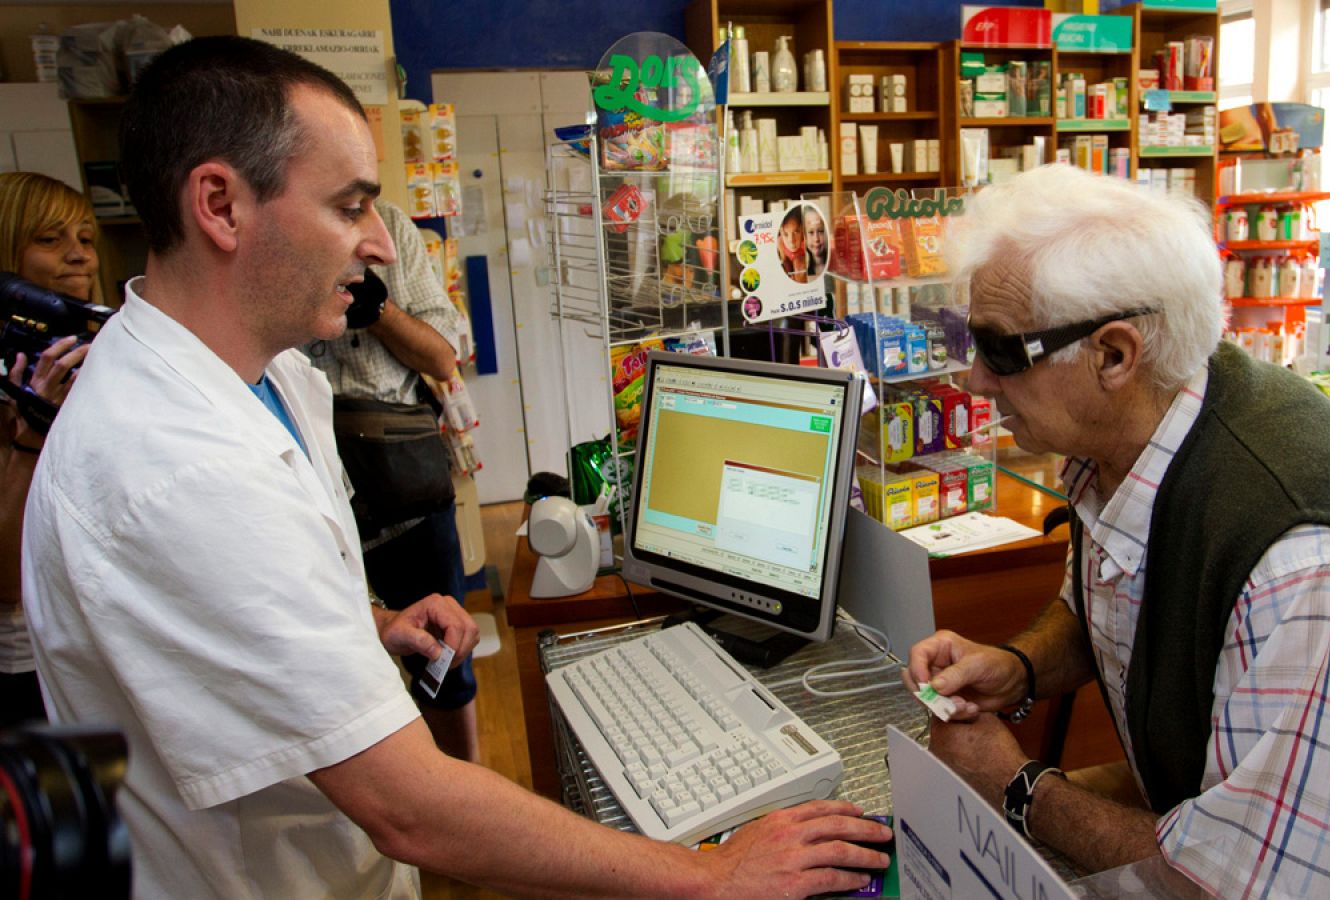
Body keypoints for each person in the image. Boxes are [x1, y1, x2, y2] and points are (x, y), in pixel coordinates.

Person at [23, 36, 888, 898]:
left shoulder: (268, 374)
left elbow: (229, 619)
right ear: (220, 204)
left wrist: (368, 623)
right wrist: (717, 874)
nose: (382, 245)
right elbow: (412, 808)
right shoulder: (179, 466)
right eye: (350, 205)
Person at [904, 164, 1330, 898]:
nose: (973, 379)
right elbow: (1108, 606)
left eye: (1000, 350)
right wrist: (1019, 666)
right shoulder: (1137, 433)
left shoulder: (1300, 560)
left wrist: (1016, 787)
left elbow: (1242, 885)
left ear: (1116, 354)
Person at [303, 199, 480, 762]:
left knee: (443, 655)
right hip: (309, 487)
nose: (372, 230)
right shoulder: (287, 235)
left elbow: (441, 357)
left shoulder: (394, 230)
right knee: (338, 668)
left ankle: (464, 798)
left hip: (405, 491)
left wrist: (378, 309)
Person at [0, 172, 93, 727]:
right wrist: (33, 432)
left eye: (85, 239)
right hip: (25, 664)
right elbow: (9, 579)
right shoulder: (18, 379)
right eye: (51, 239)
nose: (78, 256)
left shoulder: (95, 349)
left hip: (93, 645)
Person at [778, 205, 807, 283]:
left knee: (798, 263)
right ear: (781, 232)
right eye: (785, 234)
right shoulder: (780, 242)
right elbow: (784, 260)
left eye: (796, 232)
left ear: (802, 230)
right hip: (791, 270)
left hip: (803, 268)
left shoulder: (806, 243)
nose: (791, 240)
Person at [804, 204, 829, 278]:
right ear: (804, 236)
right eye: (811, 232)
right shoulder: (804, 269)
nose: (816, 239)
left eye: (821, 231)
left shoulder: (833, 265)